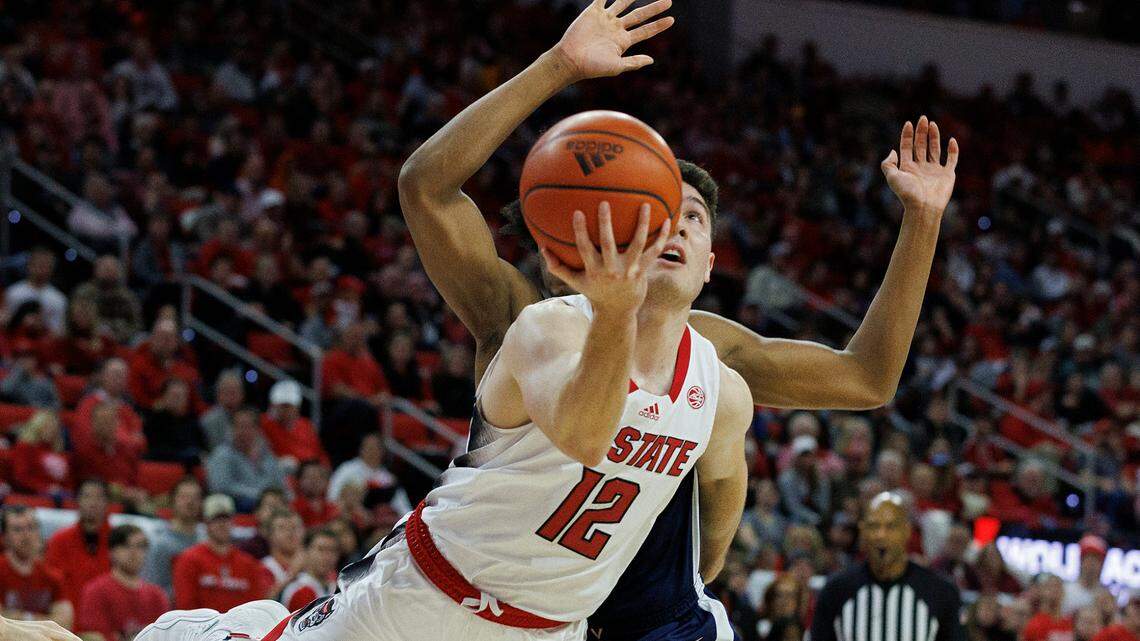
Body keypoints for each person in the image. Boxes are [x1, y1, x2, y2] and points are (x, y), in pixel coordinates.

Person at [397, 1, 959, 639]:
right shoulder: (518, 321)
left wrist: (922, 220)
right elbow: (424, 187)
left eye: (688, 219)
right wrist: (557, 68)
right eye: (648, 217)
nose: (663, 234)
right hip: (517, 619)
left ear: (707, 261)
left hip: (653, 623)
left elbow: (866, 380)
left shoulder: (703, 350)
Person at [809, 492, 965, 641]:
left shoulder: (940, 592)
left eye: (891, 527)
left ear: (907, 531)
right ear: (863, 531)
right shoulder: (836, 590)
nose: (881, 535)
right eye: (874, 526)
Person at [171, 494, 273, 612]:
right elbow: (185, 607)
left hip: (239, 628)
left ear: (232, 522)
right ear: (206, 523)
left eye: (226, 519)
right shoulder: (188, 560)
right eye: (216, 519)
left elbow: (256, 607)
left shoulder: (248, 564)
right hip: (201, 628)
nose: (222, 524)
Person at [76, 525, 169, 641]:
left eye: (140, 546)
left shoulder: (157, 596)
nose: (134, 552)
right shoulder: (95, 591)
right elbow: (93, 636)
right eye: (126, 545)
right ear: (112, 551)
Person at [44, 479, 112, 607]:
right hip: (68, 619)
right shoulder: (59, 540)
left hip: (107, 618)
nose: (93, 503)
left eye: (99, 497)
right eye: (87, 496)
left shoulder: (118, 541)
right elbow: (51, 584)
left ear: (107, 502)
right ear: (77, 501)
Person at [0, 507, 72, 627]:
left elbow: (65, 622)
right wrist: (46, 621)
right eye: (17, 529)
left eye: (31, 528)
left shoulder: (52, 575)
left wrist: (17, 617)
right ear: (5, 537)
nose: (26, 535)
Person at [143, 477, 203, 594]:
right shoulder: (159, 543)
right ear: (173, 501)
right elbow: (152, 589)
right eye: (184, 497)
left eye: (195, 497)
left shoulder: (207, 541)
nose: (190, 502)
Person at [278, 529, 338, 611]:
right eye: (321, 549)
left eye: (332, 551)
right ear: (306, 552)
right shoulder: (300, 590)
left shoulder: (335, 587)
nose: (327, 557)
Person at [1063, 535, 1108, 615]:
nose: (1091, 564)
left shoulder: (1106, 596)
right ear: (1080, 561)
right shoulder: (1066, 591)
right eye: (1088, 558)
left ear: (1102, 564)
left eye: (1096, 559)